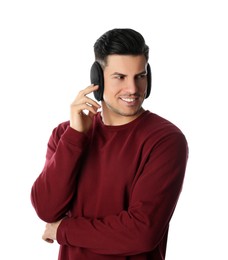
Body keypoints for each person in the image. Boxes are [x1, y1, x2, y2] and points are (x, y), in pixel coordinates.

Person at [31, 28, 188, 260]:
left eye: (140, 76)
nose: (133, 89)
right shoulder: (66, 133)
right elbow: (46, 208)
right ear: (98, 79)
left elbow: (141, 233)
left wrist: (63, 229)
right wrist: (76, 137)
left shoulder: (164, 140)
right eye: (120, 77)